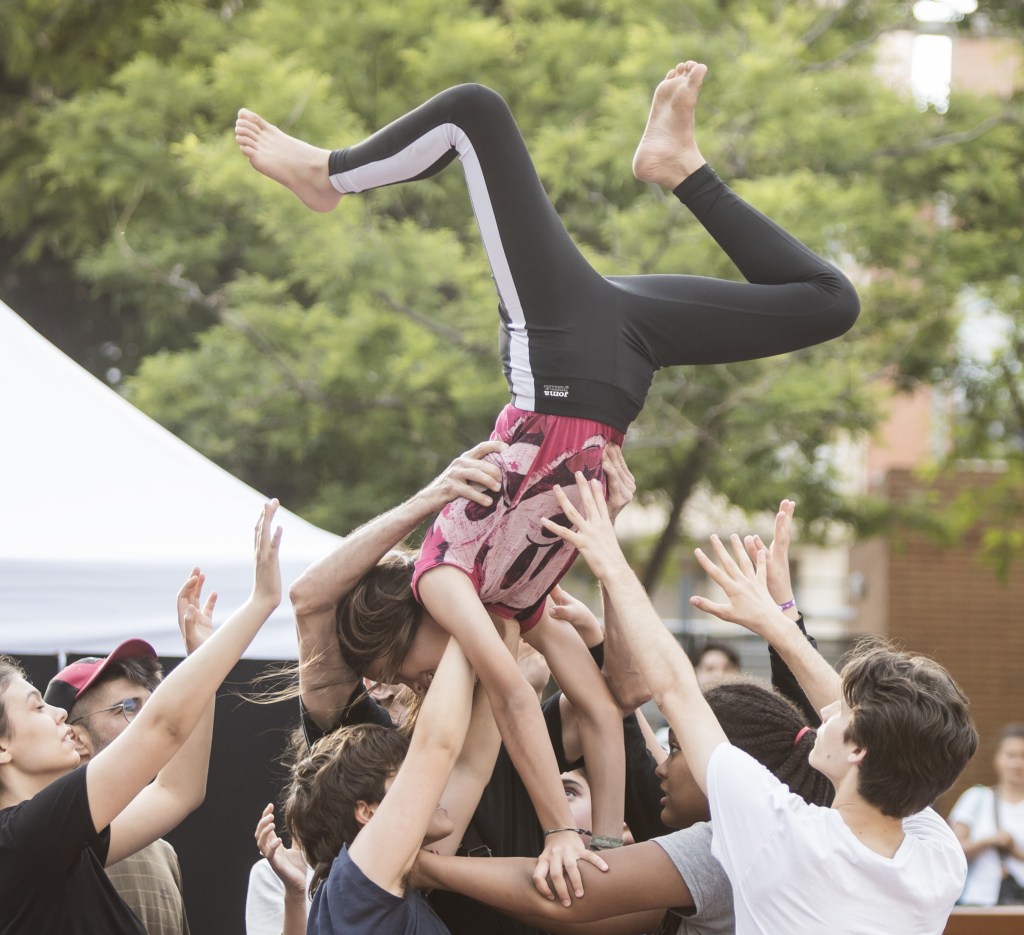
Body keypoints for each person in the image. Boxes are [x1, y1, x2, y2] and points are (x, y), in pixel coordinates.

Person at [237, 60, 859, 892]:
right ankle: (679, 167)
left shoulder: (442, 578)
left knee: (475, 112)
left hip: (559, 360)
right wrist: (602, 838)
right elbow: (609, 701)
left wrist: (563, 830)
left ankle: (329, 175)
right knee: (829, 301)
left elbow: (505, 687)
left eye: (409, 668)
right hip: (622, 369)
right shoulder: (522, 603)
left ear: (405, 623)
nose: (414, 681)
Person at [533, 473, 977, 933]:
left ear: (859, 749)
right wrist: (779, 623)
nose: (827, 712)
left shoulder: (783, 833)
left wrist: (611, 561)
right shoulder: (939, 859)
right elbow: (883, 730)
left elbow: (676, 689)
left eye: (843, 713)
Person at [0, 501, 282, 934]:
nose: (59, 715)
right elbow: (163, 727)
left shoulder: (51, 841)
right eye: (38, 706)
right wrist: (260, 603)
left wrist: (203, 656)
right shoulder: (23, 838)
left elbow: (176, 791)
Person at [414, 677, 832, 935]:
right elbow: (600, 914)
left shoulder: (722, 850)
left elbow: (572, 896)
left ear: (725, 764)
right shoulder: (781, 842)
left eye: (675, 750)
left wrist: (424, 868)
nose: (660, 767)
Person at [43, 636, 197, 935]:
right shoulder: (48, 841)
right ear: (75, 738)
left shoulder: (162, 851)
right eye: (127, 707)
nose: (148, 719)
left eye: (150, 705)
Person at [949, 723, 1024, 906]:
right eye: (1010, 755)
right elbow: (951, 850)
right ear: (997, 758)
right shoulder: (976, 798)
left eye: (1023, 756)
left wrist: (1015, 851)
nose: (1017, 763)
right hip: (977, 901)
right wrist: (989, 841)